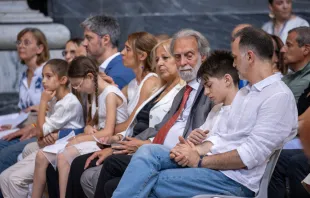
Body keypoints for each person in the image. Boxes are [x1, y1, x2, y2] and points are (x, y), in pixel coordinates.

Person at [112, 27, 298, 198]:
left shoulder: (277, 96)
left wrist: (200, 161)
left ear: (249, 57)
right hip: (211, 165)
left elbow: (249, 155)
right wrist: (195, 150)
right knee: (147, 152)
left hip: (235, 180)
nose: (233, 64)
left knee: (152, 180)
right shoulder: (245, 92)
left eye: (235, 57)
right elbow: (221, 137)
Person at [90, 50, 238, 198]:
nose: (206, 91)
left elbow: (234, 147)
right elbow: (204, 137)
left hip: (219, 171)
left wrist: (196, 151)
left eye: (209, 85)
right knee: (147, 151)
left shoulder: (242, 106)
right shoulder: (217, 109)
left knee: (149, 179)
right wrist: (192, 142)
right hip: (192, 155)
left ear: (227, 80)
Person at [44, 32, 161, 198]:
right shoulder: (133, 83)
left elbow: (130, 123)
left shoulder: (150, 81)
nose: (122, 53)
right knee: (55, 163)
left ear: (141, 55)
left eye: (127, 49)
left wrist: (106, 132)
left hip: (130, 139)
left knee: (78, 164)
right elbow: (114, 103)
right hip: (118, 137)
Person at [72, 39, 185, 198]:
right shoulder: (159, 87)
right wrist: (117, 140)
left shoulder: (178, 91)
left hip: (150, 148)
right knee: (81, 165)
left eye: (165, 58)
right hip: (133, 141)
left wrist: (119, 143)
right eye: (157, 59)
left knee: (97, 168)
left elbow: (163, 129)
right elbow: (134, 121)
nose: (159, 63)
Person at [0, 59, 84, 198]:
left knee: (13, 180)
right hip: (51, 145)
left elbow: (40, 132)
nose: (44, 81)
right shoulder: (56, 100)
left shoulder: (68, 103)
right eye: (43, 77)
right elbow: (41, 134)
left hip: (64, 147)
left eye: (49, 76)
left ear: (63, 79)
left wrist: (43, 102)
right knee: (4, 177)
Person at [0, 28, 50, 175]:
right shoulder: (23, 74)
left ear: (40, 48)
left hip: (39, 126)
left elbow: (56, 105)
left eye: (26, 42)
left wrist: (40, 107)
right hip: (23, 123)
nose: (20, 46)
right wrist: (14, 123)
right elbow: (23, 109)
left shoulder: (48, 72)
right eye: (19, 42)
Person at [81, 15, 135, 89]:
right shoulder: (114, 68)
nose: (84, 43)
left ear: (105, 40)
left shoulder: (117, 76)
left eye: (89, 38)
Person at [281, 26, 310, 103]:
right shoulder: (288, 77)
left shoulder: (307, 80)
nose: (282, 50)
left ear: (306, 49)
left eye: (289, 45)